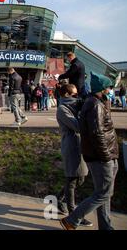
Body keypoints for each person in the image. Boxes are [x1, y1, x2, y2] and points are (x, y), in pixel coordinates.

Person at [60, 72, 119, 230]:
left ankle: (105, 226)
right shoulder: (94, 104)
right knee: (103, 193)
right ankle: (72, 219)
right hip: (102, 156)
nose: (110, 90)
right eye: (109, 87)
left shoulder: (99, 102)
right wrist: (106, 156)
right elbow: (97, 133)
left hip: (105, 154)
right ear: (103, 88)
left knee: (104, 194)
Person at [55, 84, 92, 227]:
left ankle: (59, 198)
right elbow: (77, 125)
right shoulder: (62, 109)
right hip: (71, 146)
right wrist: (83, 112)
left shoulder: (76, 106)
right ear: (65, 95)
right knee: (72, 180)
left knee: (81, 179)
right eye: (74, 95)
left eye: (77, 95)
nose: (76, 97)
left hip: (81, 145)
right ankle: (74, 214)